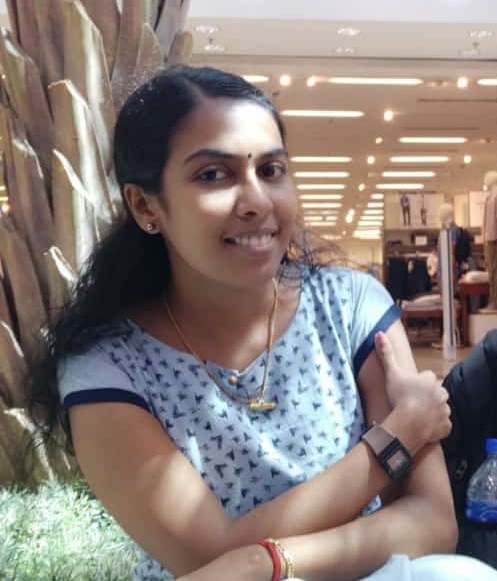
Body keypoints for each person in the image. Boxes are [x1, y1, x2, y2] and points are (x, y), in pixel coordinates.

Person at [30, 66, 497, 581]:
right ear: (146, 206)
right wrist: (397, 437)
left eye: (271, 170)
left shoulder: (349, 307)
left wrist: (266, 559)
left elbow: (431, 522)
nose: (256, 201)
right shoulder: (107, 364)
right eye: (213, 175)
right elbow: (209, 562)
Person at [480, 171, 497, 313]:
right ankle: (493, 301)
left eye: (487, 178)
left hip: (494, 238)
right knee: (491, 271)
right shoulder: (489, 197)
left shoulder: (495, 197)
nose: (485, 180)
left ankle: (495, 302)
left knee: (494, 271)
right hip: (489, 238)